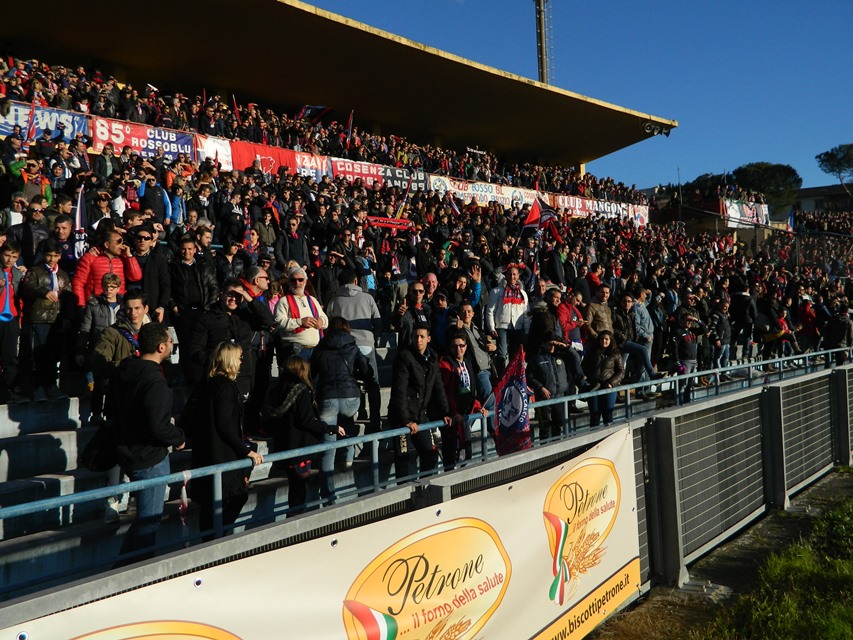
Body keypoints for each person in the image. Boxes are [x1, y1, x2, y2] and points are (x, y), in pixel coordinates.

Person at [107, 323, 184, 563]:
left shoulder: (124, 371)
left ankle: (125, 567)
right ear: (161, 347)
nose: (172, 345)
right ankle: (135, 573)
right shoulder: (155, 381)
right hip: (150, 458)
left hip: (128, 451)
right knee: (149, 520)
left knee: (144, 519)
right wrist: (179, 438)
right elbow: (158, 425)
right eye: (170, 342)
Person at [190, 342, 263, 540]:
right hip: (221, 455)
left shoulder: (203, 384)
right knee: (233, 498)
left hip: (205, 453)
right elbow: (225, 425)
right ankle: (215, 540)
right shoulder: (226, 388)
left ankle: (211, 539)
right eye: (239, 358)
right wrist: (246, 450)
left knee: (210, 505)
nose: (241, 362)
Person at [267, 356, 342, 513]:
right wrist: (330, 428)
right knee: (299, 488)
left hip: (284, 444)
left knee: (294, 486)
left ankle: (294, 516)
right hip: (299, 446)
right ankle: (295, 521)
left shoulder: (278, 388)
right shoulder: (301, 391)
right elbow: (307, 421)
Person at [310, 317, 372, 503]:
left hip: (328, 397)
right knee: (347, 419)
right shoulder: (352, 345)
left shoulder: (320, 347)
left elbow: (313, 373)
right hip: (350, 397)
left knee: (327, 449)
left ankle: (328, 496)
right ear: (346, 329)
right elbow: (366, 369)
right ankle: (348, 454)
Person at [388, 323, 452, 481]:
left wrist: (445, 412)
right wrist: (406, 420)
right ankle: (405, 499)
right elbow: (399, 391)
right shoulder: (404, 357)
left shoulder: (433, 358)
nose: (418, 339)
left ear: (429, 339)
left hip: (421, 416)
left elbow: (438, 387)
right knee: (403, 461)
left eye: (422, 336)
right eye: (416, 336)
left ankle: (424, 489)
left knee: (430, 456)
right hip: (401, 419)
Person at [326, 268, 383, 433]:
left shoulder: (334, 301)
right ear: (356, 281)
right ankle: (375, 419)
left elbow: (329, 322)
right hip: (366, 345)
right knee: (372, 384)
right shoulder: (367, 298)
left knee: (350, 383)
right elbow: (378, 322)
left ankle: (350, 419)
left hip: (343, 348)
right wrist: (373, 337)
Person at [19, 238, 72, 400]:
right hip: (39, 318)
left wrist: (68, 316)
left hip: (55, 319)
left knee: (52, 355)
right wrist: (42, 292)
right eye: (49, 255)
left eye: (55, 256)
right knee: (38, 355)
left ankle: (51, 386)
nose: (52, 259)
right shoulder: (35, 271)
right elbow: (26, 287)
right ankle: (38, 387)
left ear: (60, 256)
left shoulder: (62, 275)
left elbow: (68, 297)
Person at [439, 332, 488, 470]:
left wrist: (478, 407)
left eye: (461, 345)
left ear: (466, 347)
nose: (458, 348)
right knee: (452, 456)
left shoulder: (468, 363)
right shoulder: (445, 364)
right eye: (455, 346)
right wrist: (453, 413)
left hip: (465, 415)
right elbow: (445, 393)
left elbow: (470, 390)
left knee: (466, 453)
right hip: (452, 417)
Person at [274, 266, 328, 361]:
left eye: (300, 280)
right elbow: (279, 322)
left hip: (315, 349)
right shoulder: (283, 301)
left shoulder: (312, 300)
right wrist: (300, 322)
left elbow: (325, 319)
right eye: (293, 280)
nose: (297, 283)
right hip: (295, 350)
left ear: (305, 281)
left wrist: (321, 321)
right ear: (289, 282)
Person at [484, 266, 529, 376]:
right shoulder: (497, 291)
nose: (512, 277)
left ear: (518, 276)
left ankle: (514, 376)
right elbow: (490, 310)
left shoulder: (522, 293)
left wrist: (527, 330)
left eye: (514, 274)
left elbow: (526, 314)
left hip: (517, 328)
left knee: (516, 355)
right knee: (502, 354)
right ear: (506, 275)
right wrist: (491, 327)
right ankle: (501, 377)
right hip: (502, 327)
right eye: (510, 274)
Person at [581, 330, 624, 428]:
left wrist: (611, 383)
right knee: (594, 416)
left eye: (606, 339)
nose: (603, 341)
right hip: (594, 387)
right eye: (601, 339)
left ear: (610, 340)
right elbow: (583, 367)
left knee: (607, 416)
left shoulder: (615, 354)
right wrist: (586, 377)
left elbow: (621, 371)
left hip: (608, 387)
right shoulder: (592, 352)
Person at [0, 241, 25, 403]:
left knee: (10, 357)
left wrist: (21, 318)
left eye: (14, 257)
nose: (9, 260)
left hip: (11, 319)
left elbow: (21, 298)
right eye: (7, 255)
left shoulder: (17, 273)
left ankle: (6, 391)